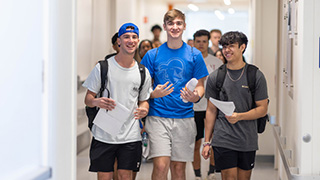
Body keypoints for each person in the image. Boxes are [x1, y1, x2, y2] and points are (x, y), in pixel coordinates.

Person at [141, 9, 209, 180]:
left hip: (184, 117)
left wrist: (196, 96)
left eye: (178, 23)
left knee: (178, 168)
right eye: (171, 23)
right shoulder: (152, 55)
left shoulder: (194, 55)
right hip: (158, 117)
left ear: (184, 26)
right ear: (164, 26)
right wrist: (152, 94)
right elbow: (141, 88)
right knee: (161, 165)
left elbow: (200, 86)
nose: (175, 27)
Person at [83, 22, 152, 180]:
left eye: (134, 37)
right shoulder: (103, 67)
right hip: (104, 133)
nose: (131, 40)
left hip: (131, 135)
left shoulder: (142, 72)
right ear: (119, 41)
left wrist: (144, 109)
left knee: (125, 176)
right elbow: (88, 98)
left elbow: (144, 100)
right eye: (126, 37)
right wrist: (96, 102)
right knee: (105, 177)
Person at [202, 31, 268, 180]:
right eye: (224, 46)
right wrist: (207, 142)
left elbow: (263, 109)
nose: (227, 50)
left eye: (231, 46)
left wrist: (240, 116)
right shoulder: (216, 77)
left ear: (242, 47)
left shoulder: (255, 75)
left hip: (247, 139)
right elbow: (211, 110)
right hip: (223, 138)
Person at [192, 30, 223, 180]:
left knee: (211, 142)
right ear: (194, 42)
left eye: (204, 41)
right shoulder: (189, 61)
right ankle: (197, 174)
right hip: (194, 109)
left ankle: (212, 172)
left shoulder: (217, 62)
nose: (201, 44)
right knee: (196, 143)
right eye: (198, 41)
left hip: (212, 108)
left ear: (208, 42)